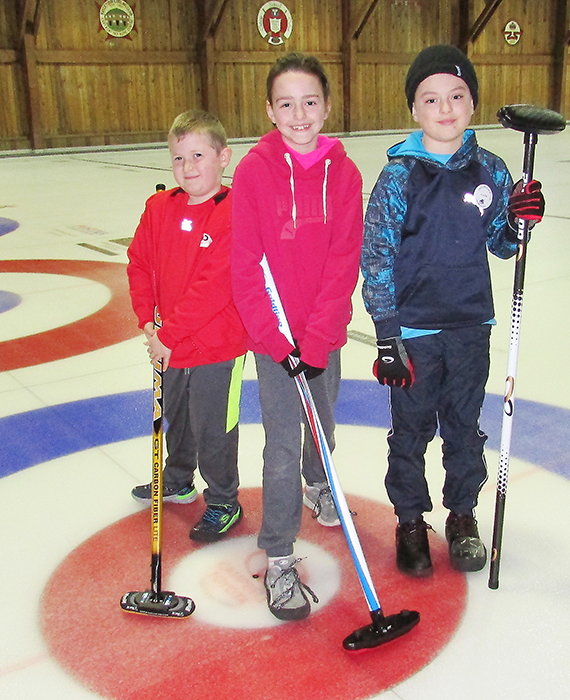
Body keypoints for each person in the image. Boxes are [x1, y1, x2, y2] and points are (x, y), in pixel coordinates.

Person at [361, 45, 545, 577]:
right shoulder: (399, 177)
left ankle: (462, 516)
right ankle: (411, 521)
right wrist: (387, 334)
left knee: (464, 429)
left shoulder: (491, 169)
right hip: (414, 333)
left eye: (457, 96)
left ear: (472, 104)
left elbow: (504, 245)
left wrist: (520, 219)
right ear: (414, 110)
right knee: (411, 431)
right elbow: (376, 256)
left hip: (470, 327)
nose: (445, 108)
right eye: (431, 99)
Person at [230, 53, 363, 620]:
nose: (299, 113)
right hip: (275, 340)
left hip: (321, 336)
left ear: (327, 106)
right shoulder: (255, 172)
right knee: (283, 445)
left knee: (323, 423)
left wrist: (318, 338)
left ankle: (320, 483)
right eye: (286, 103)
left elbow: (344, 262)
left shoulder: (346, 174)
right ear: (269, 109)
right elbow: (245, 264)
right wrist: (276, 339)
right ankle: (279, 551)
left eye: (310, 101)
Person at [127, 109, 247, 543]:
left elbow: (215, 287)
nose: (188, 167)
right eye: (178, 158)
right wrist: (147, 322)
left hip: (218, 346)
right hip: (168, 344)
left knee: (214, 424)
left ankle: (222, 500)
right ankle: (177, 477)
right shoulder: (159, 208)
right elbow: (139, 264)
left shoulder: (235, 213)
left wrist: (169, 336)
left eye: (198, 155)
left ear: (224, 157)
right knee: (175, 414)